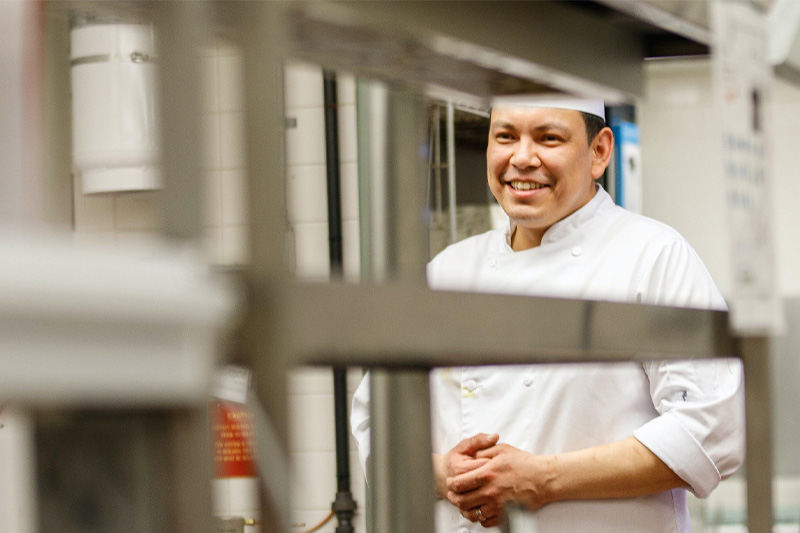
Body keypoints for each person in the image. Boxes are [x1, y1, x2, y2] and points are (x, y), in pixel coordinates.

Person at [350, 95, 745, 533]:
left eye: (548, 138)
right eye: (505, 136)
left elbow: (712, 430)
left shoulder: (654, 257)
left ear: (599, 152)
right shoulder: (446, 271)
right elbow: (378, 423)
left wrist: (542, 480)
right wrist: (444, 474)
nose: (521, 158)